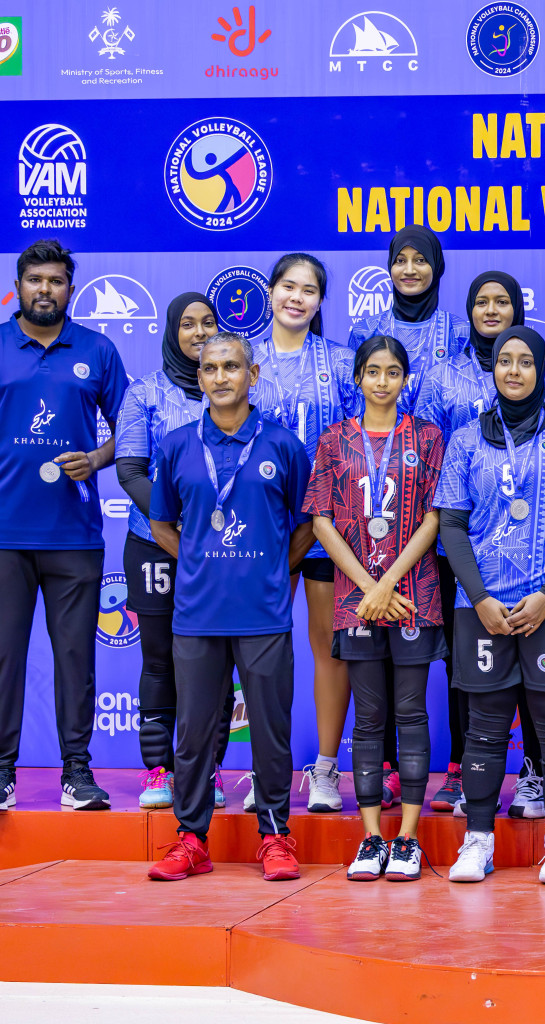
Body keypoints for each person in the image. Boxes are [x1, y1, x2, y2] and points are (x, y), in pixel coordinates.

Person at [435, 325, 545, 885]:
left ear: (540, 370)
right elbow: (453, 528)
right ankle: (478, 840)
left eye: (524, 362)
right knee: (484, 725)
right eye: (504, 361)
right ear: (493, 370)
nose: (513, 371)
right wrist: (480, 597)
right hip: (480, 606)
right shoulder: (464, 440)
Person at [145, 333, 312, 882]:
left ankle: (275, 836)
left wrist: (271, 569)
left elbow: (307, 524)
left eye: (232, 367)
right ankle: (191, 839)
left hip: (263, 614)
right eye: (211, 368)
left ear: (253, 375)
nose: (221, 377)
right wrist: (200, 562)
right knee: (193, 732)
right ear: (199, 379)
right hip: (196, 615)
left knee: (269, 731)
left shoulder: (283, 445)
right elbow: (161, 524)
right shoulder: (173, 446)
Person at [415, 271, 545, 818]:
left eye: (502, 301)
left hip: (542, 567)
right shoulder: (446, 380)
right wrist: (473, 584)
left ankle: (534, 774)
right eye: (480, 301)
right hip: (468, 555)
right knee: (475, 679)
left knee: (542, 684)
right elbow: (431, 455)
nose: (491, 309)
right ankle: (464, 774)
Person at [117, 292, 282, 810]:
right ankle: (158, 770)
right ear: (172, 330)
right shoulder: (145, 391)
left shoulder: (244, 400)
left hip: (231, 558)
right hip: (157, 542)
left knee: (218, 674)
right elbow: (129, 469)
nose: (196, 332)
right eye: (186, 324)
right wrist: (186, 530)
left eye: (207, 323)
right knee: (163, 661)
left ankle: (207, 772)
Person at [306, 336, 446, 882]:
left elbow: (435, 516)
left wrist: (387, 583)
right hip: (355, 598)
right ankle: (370, 838)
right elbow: (321, 521)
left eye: (392, 372)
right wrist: (369, 586)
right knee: (368, 719)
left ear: (405, 379)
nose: (382, 381)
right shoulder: (335, 439)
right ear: (357, 378)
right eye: (372, 371)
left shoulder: (427, 438)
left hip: (413, 593)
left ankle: (407, 839)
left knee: (410, 712)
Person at [0, 240, 127, 812]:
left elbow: (135, 430)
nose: (44, 289)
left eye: (55, 281)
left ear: (70, 290)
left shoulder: (97, 350)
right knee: (5, 655)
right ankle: (2, 772)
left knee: (76, 656)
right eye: (34, 280)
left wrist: (98, 460)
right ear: (19, 286)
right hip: (5, 533)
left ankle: (76, 772)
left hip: (75, 535)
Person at [250, 254, 363, 814]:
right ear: (270, 293)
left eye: (309, 290)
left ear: (321, 301)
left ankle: (323, 770)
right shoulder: (244, 361)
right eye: (288, 287)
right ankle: (262, 770)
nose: (297, 297)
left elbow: (358, 442)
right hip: (255, 530)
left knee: (327, 649)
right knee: (257, 652)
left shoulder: (341, 365)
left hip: (323, 529)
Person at [347, 226, 468, 413]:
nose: (409, 270)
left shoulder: (459, 332)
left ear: (436, 266)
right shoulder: (366, 331)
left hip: (443, 441)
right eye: (400, 260)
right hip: (375, 441)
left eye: (420, 260)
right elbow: (353, 403)